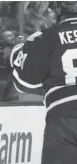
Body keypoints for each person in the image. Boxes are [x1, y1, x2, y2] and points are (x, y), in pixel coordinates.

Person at [10, 2, 77, 164]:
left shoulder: (46, 37)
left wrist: (18, 49)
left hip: (64, 119)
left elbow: (24, 84)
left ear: (57, 9)